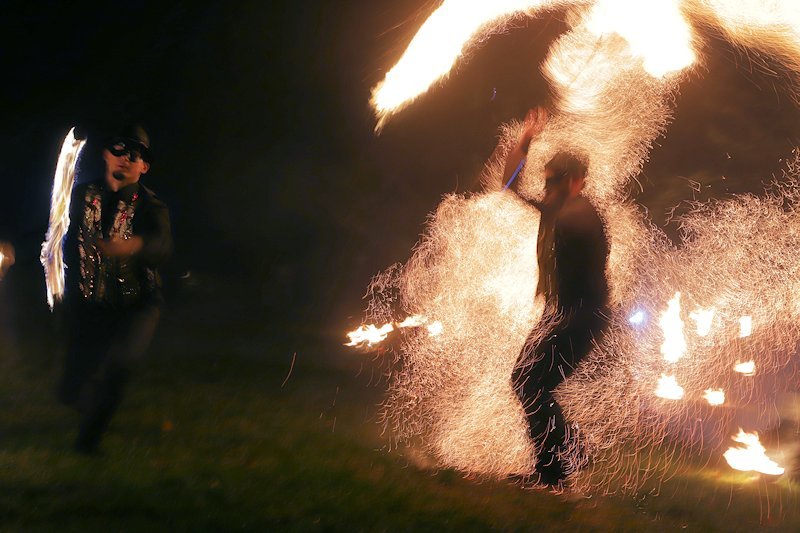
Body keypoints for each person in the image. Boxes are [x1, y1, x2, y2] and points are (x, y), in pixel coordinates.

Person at [505, 108, 610, 486]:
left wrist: (552, 207)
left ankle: (557, 467)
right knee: (525, 380)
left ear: (578, 181)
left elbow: (570, 224)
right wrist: (525, 140)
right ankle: (565, 457)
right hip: (561, 311)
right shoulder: (558, 204)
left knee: (530, 383)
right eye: (548, 181)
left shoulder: (582, 212)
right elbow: (509, 185)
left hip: (582, 315)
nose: (548, 187)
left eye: (557, 181)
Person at [58, 124, 172, 454]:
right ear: (107, 154)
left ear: (144, 167)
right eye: (120, 150)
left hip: (138, 304)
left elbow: (162, 246)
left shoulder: (151, 206)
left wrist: (134, 245)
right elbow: (60, 237)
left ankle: (87, 444)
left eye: (135, 156)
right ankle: (86, 400)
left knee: (119, 366)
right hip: (90, 303)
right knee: (71, 386)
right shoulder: (82, 195)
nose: (126, 159)